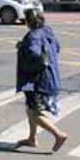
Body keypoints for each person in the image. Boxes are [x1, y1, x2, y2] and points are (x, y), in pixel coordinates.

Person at [15, 9, 68, 152]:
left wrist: (22, 48)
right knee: (30, 107)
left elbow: (34, 53)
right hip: (50, 76)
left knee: (34, 112)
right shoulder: (48, 31)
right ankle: (32, 138)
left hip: (37, 80)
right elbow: (57, 48)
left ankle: (58, 134)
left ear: (28, 21)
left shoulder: (33, 36)